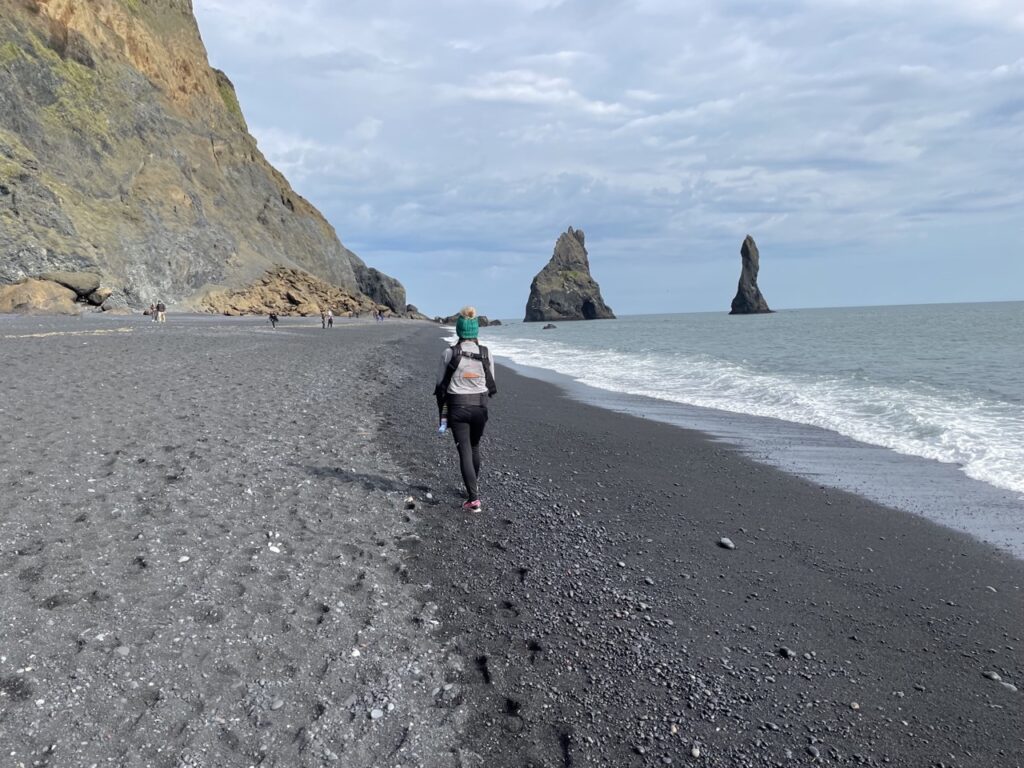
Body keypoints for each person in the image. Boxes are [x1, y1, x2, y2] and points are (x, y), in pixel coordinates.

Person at [434, 306, 497, 512]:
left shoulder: (449, 353)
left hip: (458, 408)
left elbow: (439, 384)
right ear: (476, 331)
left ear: (459, 331)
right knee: (475, 447)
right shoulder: (486, 353)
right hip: (480, 407)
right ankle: (472, 488)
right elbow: (491, 383)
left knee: (465, 451)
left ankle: (473, 499)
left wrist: (442, 414)